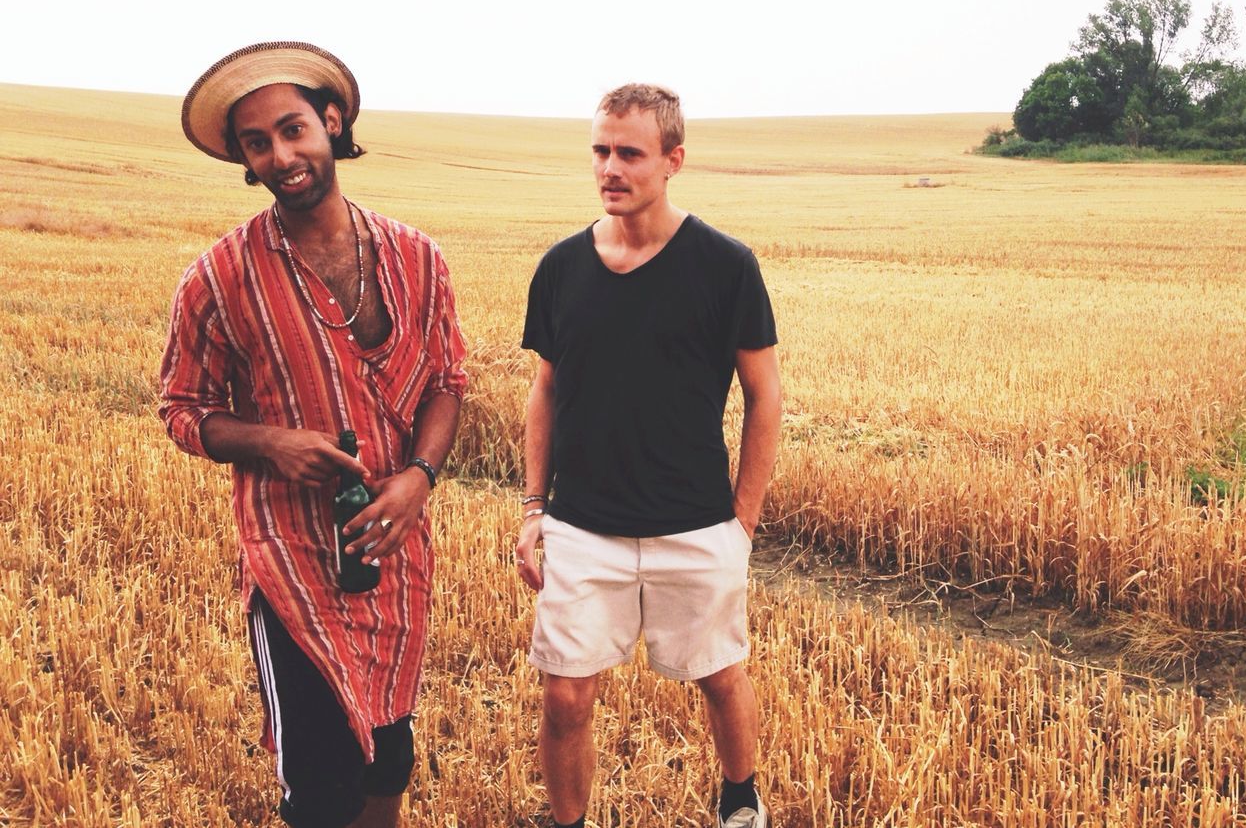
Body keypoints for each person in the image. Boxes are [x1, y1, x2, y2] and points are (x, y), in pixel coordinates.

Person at [159, 41, 467, 828]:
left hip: (392, 547)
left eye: (292, 129)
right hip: (290, 560)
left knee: (389, 758)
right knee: (320, 790)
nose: (280, 156)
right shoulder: (218, 276)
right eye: (257, 143)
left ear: (332, 121)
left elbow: (445, 383)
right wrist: (271, 443)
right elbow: (183, 408)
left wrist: (418, 478)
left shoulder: (416, 258)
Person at [515, 83, 782, 828]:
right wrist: (534, 507)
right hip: (582, 526)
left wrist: (742, 525)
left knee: (722, 676)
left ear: (673, 161)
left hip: (696, 526)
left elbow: (765, 396)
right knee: (565, 694)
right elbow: (545, 391)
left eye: (629, 152)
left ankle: (739, 799)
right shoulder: (562, 267)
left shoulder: (726, 265)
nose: (610, 167)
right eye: (600, 150)